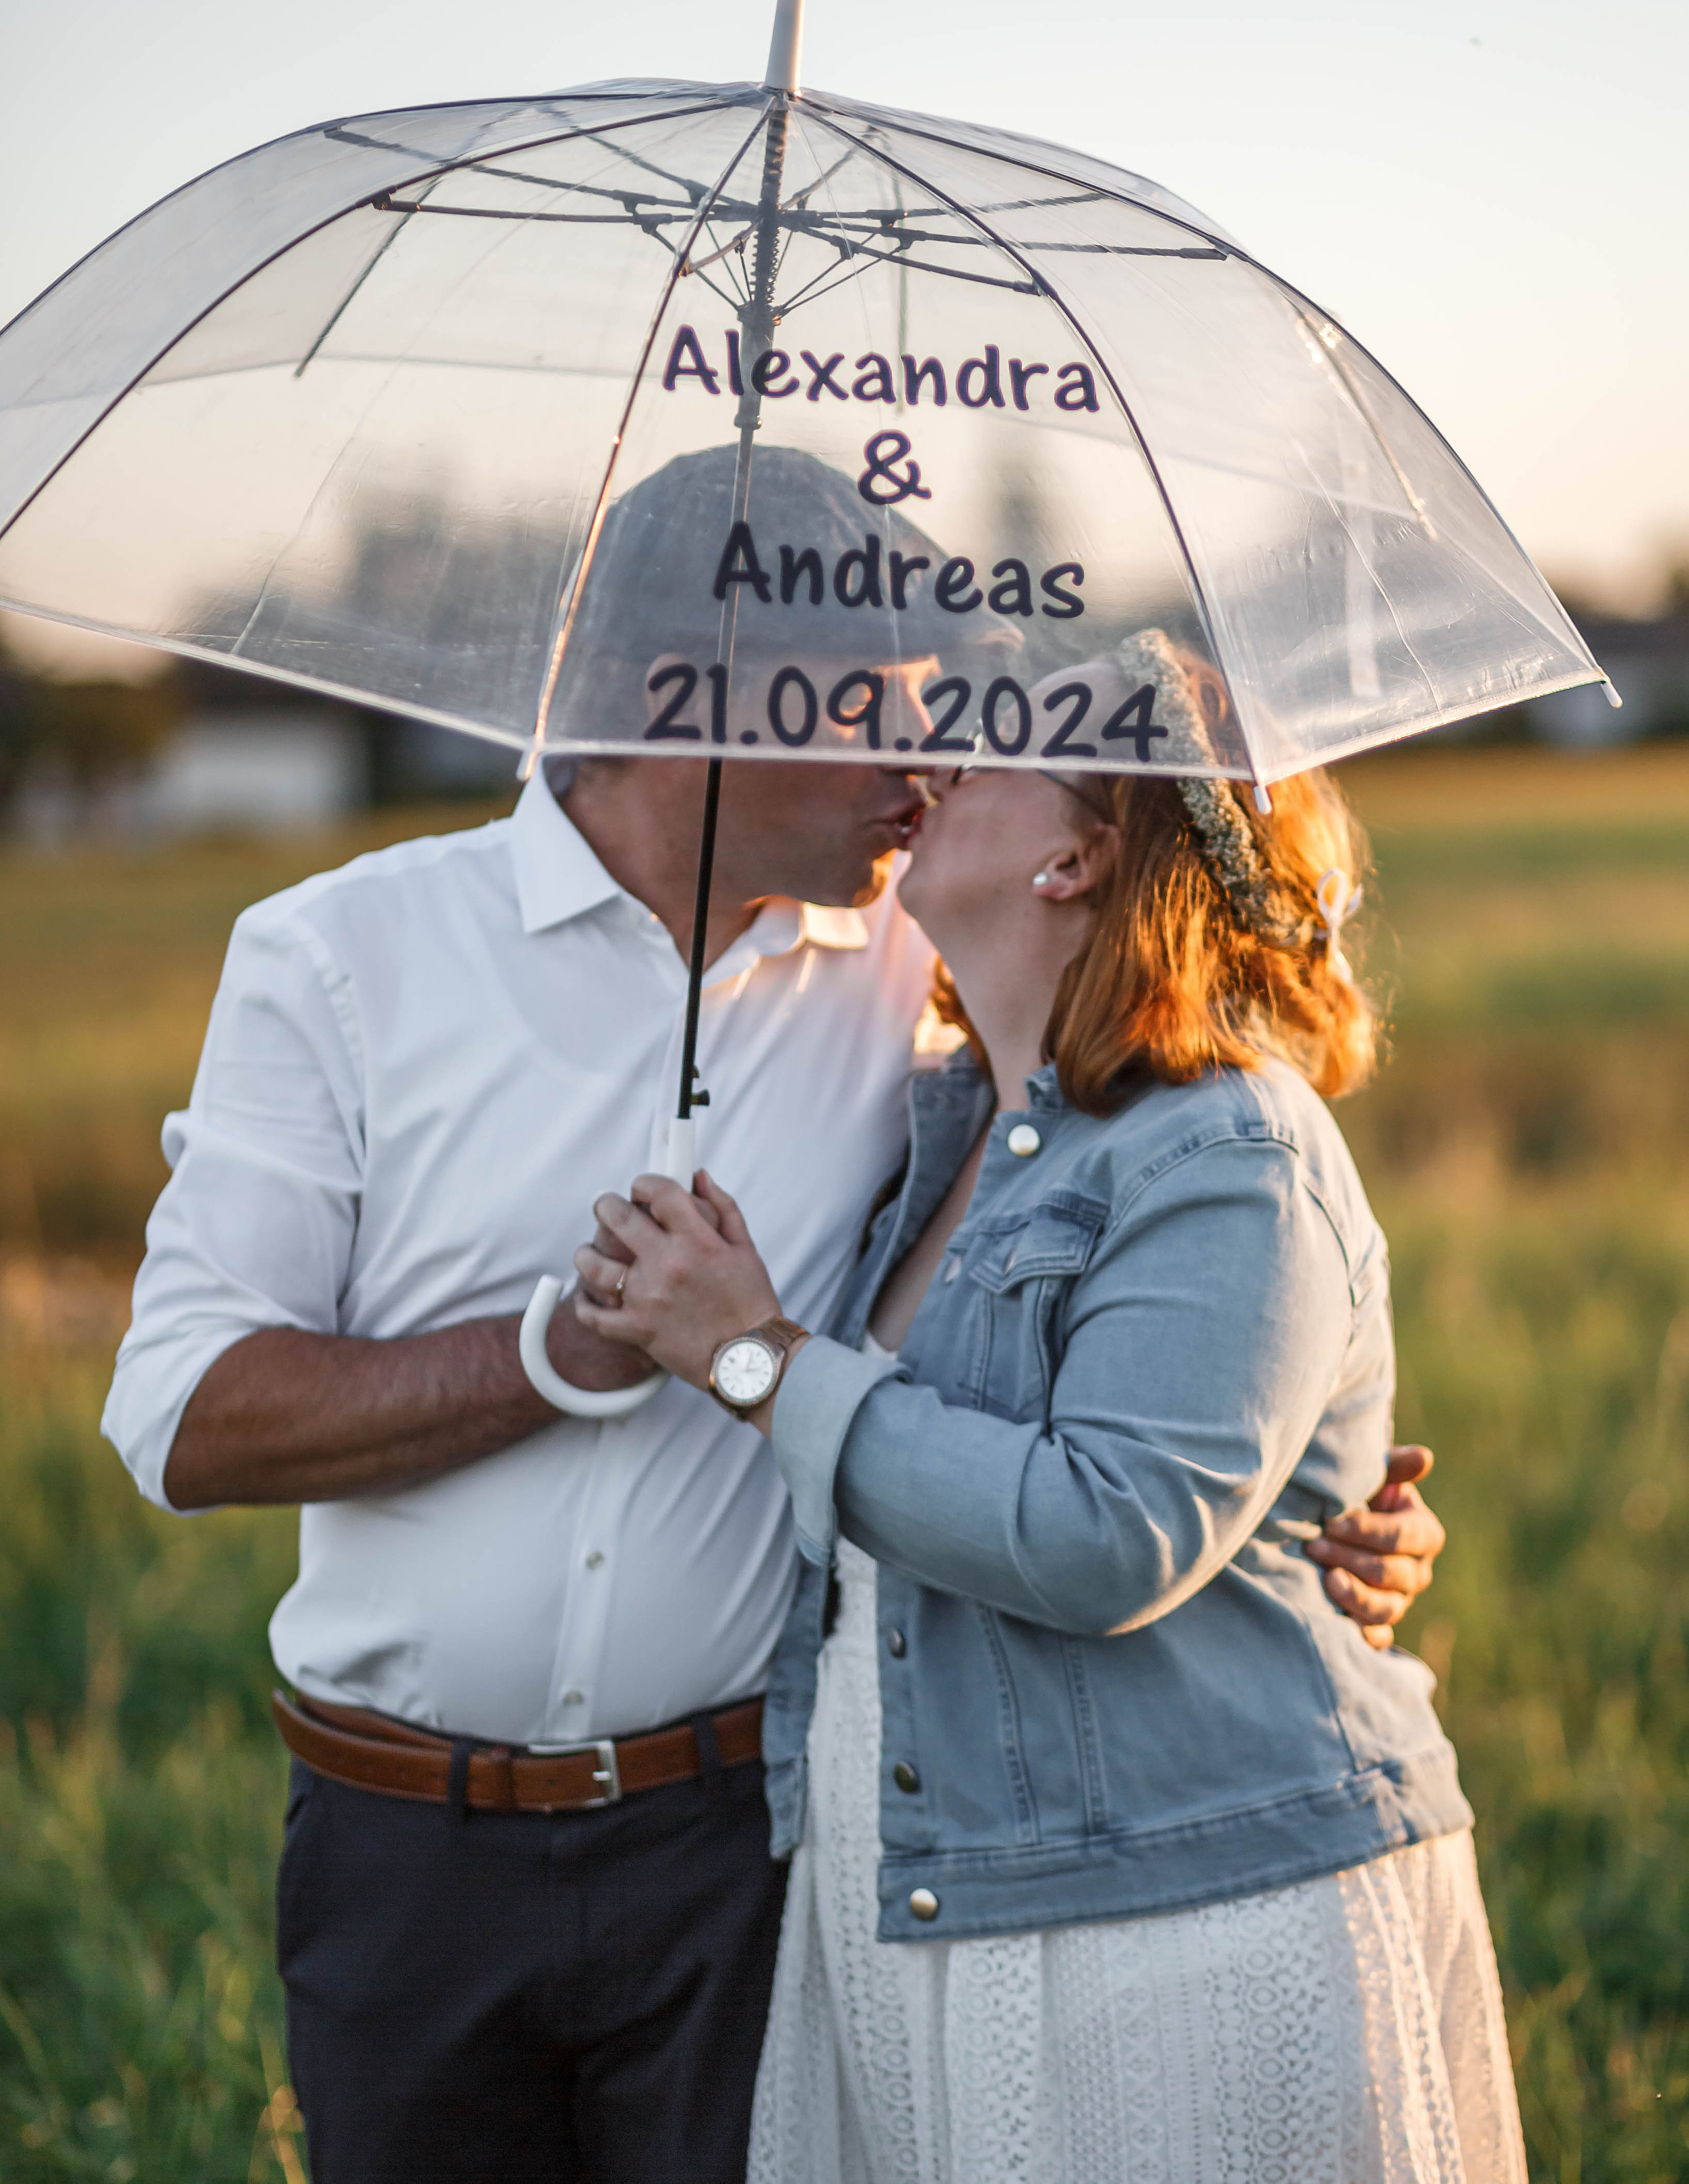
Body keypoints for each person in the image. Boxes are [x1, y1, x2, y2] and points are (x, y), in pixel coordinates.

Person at [100, 458, 1445, 2184]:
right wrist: (558, 1356)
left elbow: (1157, 1282)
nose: (929, 752)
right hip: (404, 1853)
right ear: (705, 687)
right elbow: (184, 1416)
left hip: (754, 1854)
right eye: (887, 697)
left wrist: (1316, 1497)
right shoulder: (341, 957)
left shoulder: (925, 982)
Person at [573, 633, 1524, 2183]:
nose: (935, 751)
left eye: (999, 736)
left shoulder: (1227, 1150)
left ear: (1075, 859)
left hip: (1171, 1919)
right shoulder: (942, 1134)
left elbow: (1106, 1534)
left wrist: (755, 1361)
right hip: (932, 1894)